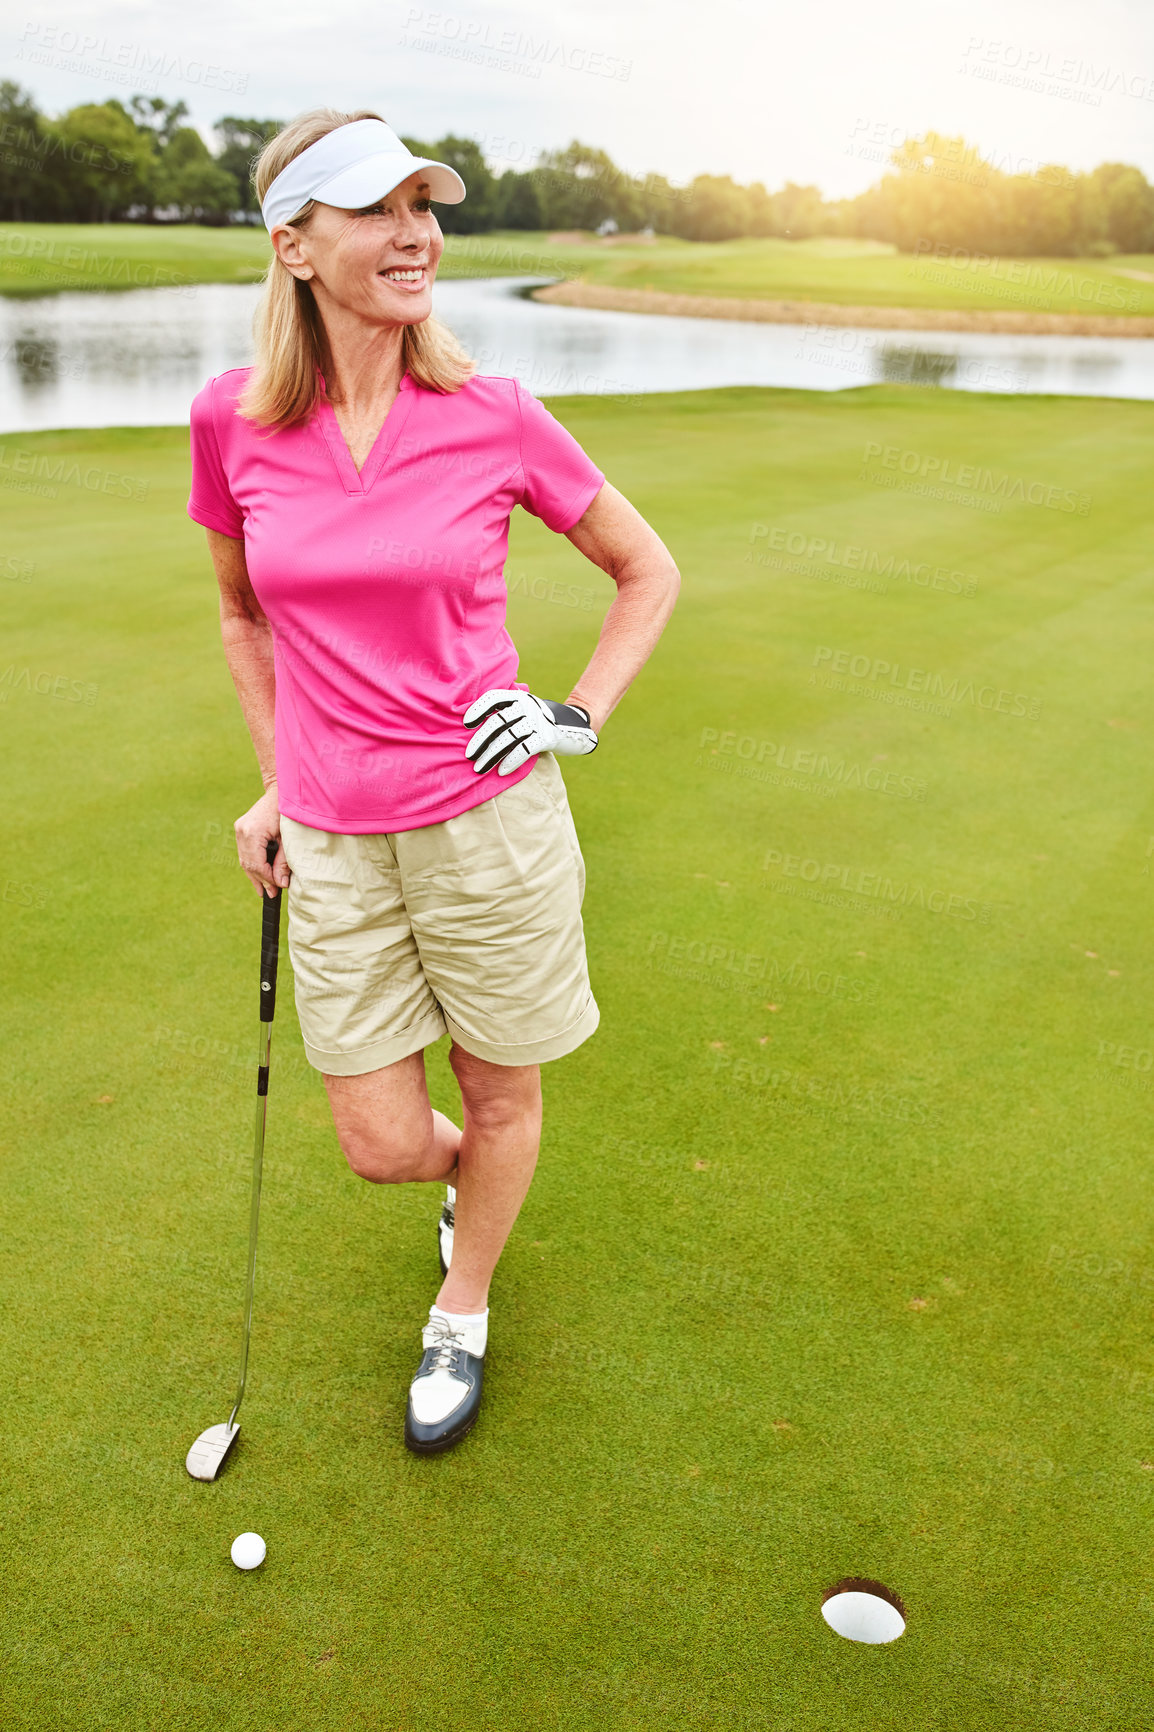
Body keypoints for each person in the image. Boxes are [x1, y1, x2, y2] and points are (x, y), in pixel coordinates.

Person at [187, 106, 680, 1455]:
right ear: (294, 245)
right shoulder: (228, 421)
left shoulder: (491, 415)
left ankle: (462, 1306)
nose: (415, 233)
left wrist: (572, 714)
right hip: (336, 839)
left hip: (487, 827)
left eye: (426, 205)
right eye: (376, 208)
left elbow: (649, 572)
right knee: (382, 1140)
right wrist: (279, 776)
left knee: (505, 1092)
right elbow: (243, 616)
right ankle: (475, 1190)